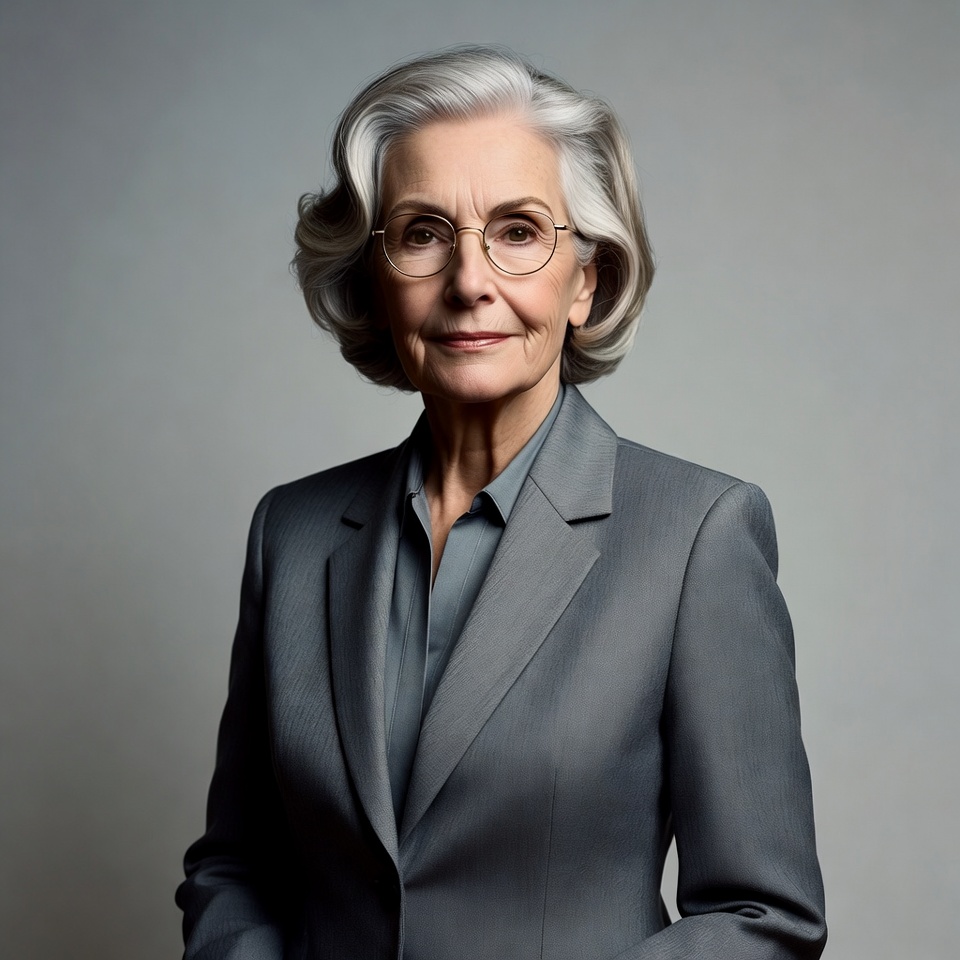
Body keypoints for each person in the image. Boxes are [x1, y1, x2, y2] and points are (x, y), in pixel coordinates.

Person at [176, 45, 827, 960]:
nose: (470, 280)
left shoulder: (697, 537)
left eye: (519, 231)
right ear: (374, 277)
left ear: (587, 280)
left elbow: (765, 918)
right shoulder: (293, 531)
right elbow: (237, 871)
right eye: (423, 232)